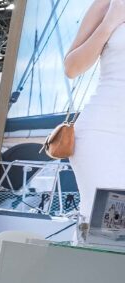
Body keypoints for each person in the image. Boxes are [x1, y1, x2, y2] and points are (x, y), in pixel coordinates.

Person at [65, 0, 125, 219]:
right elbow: (72, 68)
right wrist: (109, 23)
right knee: (108, 223)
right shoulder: (108, 4)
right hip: (103, 131)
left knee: (107, 226)